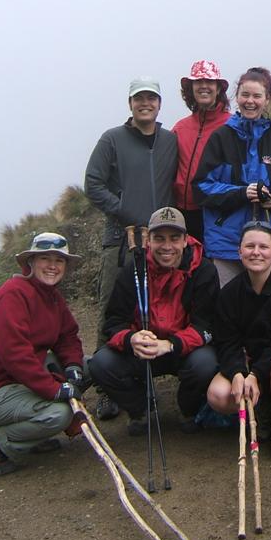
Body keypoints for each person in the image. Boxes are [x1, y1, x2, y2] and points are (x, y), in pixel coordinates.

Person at [85, 77, 178, 419]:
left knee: (153, 309)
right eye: (139, 98)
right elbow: (92, 184)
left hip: (160, 241)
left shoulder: (169, 141)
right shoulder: (111, 139)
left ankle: (146, 375)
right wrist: (126, 212)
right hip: (120, 238)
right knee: (113, 308)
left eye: (151, 98)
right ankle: (104, 387)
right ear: (130, 103)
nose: (146, 104)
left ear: (159, 103)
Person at [0, 232, 86, 477]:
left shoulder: (52, 297)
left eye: (59, 260)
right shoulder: (13, 294)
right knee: (58, 414)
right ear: (30, 263)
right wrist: (54, 390)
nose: (52, 266)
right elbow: (14, 354)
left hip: (21, 381)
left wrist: (73, 365)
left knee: (87, 369)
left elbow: (67, 335)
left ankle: (32, 434)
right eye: (45, 259)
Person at [88, 207, 219, 435]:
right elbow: (113, 322)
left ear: (186, 240)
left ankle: (187, 407)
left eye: (174, 238)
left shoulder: (203, 271)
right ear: (148, 240)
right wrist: (131, 339)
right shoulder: (134, 270)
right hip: (142, 351)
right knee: (101, 363)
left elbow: (207, 326)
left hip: (183, 350)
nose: (167, 246)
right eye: (159, 238)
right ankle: (141, 408)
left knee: (206, 363)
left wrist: (171, 344)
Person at [207, 221, 271, 460]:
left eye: (263, 247)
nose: (256, 252)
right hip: (247, 366)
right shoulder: (229, 294)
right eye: (250, 246)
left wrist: (255, 374)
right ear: (239, 251)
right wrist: (236, 374)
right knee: (218, 394)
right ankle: (261, 409)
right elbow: (227, 342)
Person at [194, 67, 271, 286]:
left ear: (268, 99)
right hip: (226, 242)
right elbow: (201, 187)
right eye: (245, 95)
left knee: (267, 307)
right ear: (236, 97)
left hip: (266, 241)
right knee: (227, 307)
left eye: (257, 96)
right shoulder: (220, 137)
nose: (250, 101)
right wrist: (241, 193)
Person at [172, 60, 231, 242]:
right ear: (190, 88)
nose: (204, 86)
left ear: (219, 88)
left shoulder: (231, 126)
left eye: (210, 82)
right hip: (181, 214)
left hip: (217, 212)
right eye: (198, 82)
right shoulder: (180, 128)